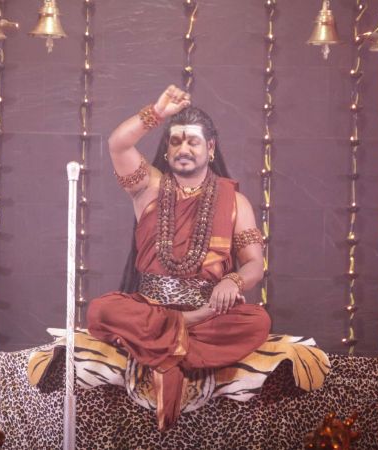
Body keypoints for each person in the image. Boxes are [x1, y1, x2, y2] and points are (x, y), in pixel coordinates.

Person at [86, 85, 271, 430]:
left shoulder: (235, 203)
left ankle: (162, 347)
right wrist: (157, 112)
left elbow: (254, 264)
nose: (183, 148)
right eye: (175, 141)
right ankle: (178, 347)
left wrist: (233, 281)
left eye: (193, 142)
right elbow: (118, 144)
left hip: (208, 312)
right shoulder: (148, 188)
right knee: (102, 309)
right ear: (167, 148)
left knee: (257, 321)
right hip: (152, 306)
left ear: (210, 148)